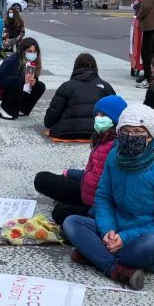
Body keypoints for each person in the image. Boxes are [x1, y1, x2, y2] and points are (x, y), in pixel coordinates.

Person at [62, 103, 154, 290]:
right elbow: (103, 197)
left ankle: (96, 255)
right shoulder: (114, 156)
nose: (131, 136)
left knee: (150, 245)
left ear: (151, 134)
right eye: (126, 131)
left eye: (138, 131)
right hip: (116, 231)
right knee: (72, 223)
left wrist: (125, 238)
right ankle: (113, 268)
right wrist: (107, 230)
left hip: (149, 242)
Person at [35, 95, 127, 225]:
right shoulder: (103, 139)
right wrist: (71, 173)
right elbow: (94, 173)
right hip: (86, 190)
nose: (99, 119)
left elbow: (110, 187)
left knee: (59, 213)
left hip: (97, 204)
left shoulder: (117, 145)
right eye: (97, 115)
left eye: (104, 115)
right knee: (42, 178)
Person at [43, 53, 116, 139]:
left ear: (75, 67)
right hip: (98, 131)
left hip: (67, 131)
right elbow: (116, 112)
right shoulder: (105, 86)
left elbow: (50, 117)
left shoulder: (66, 86)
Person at [0, 37, 46, 120]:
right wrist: (21, 80)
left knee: (40, 86)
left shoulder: (33, 62)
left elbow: (31, 80)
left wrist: (33, 82)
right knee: (18, 83)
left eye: (35, 51)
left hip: (15, 86)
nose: (33, 54)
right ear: (23, 51)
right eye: (29, 51)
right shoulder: (13, 60)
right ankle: (4, 109)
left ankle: (22, 108)